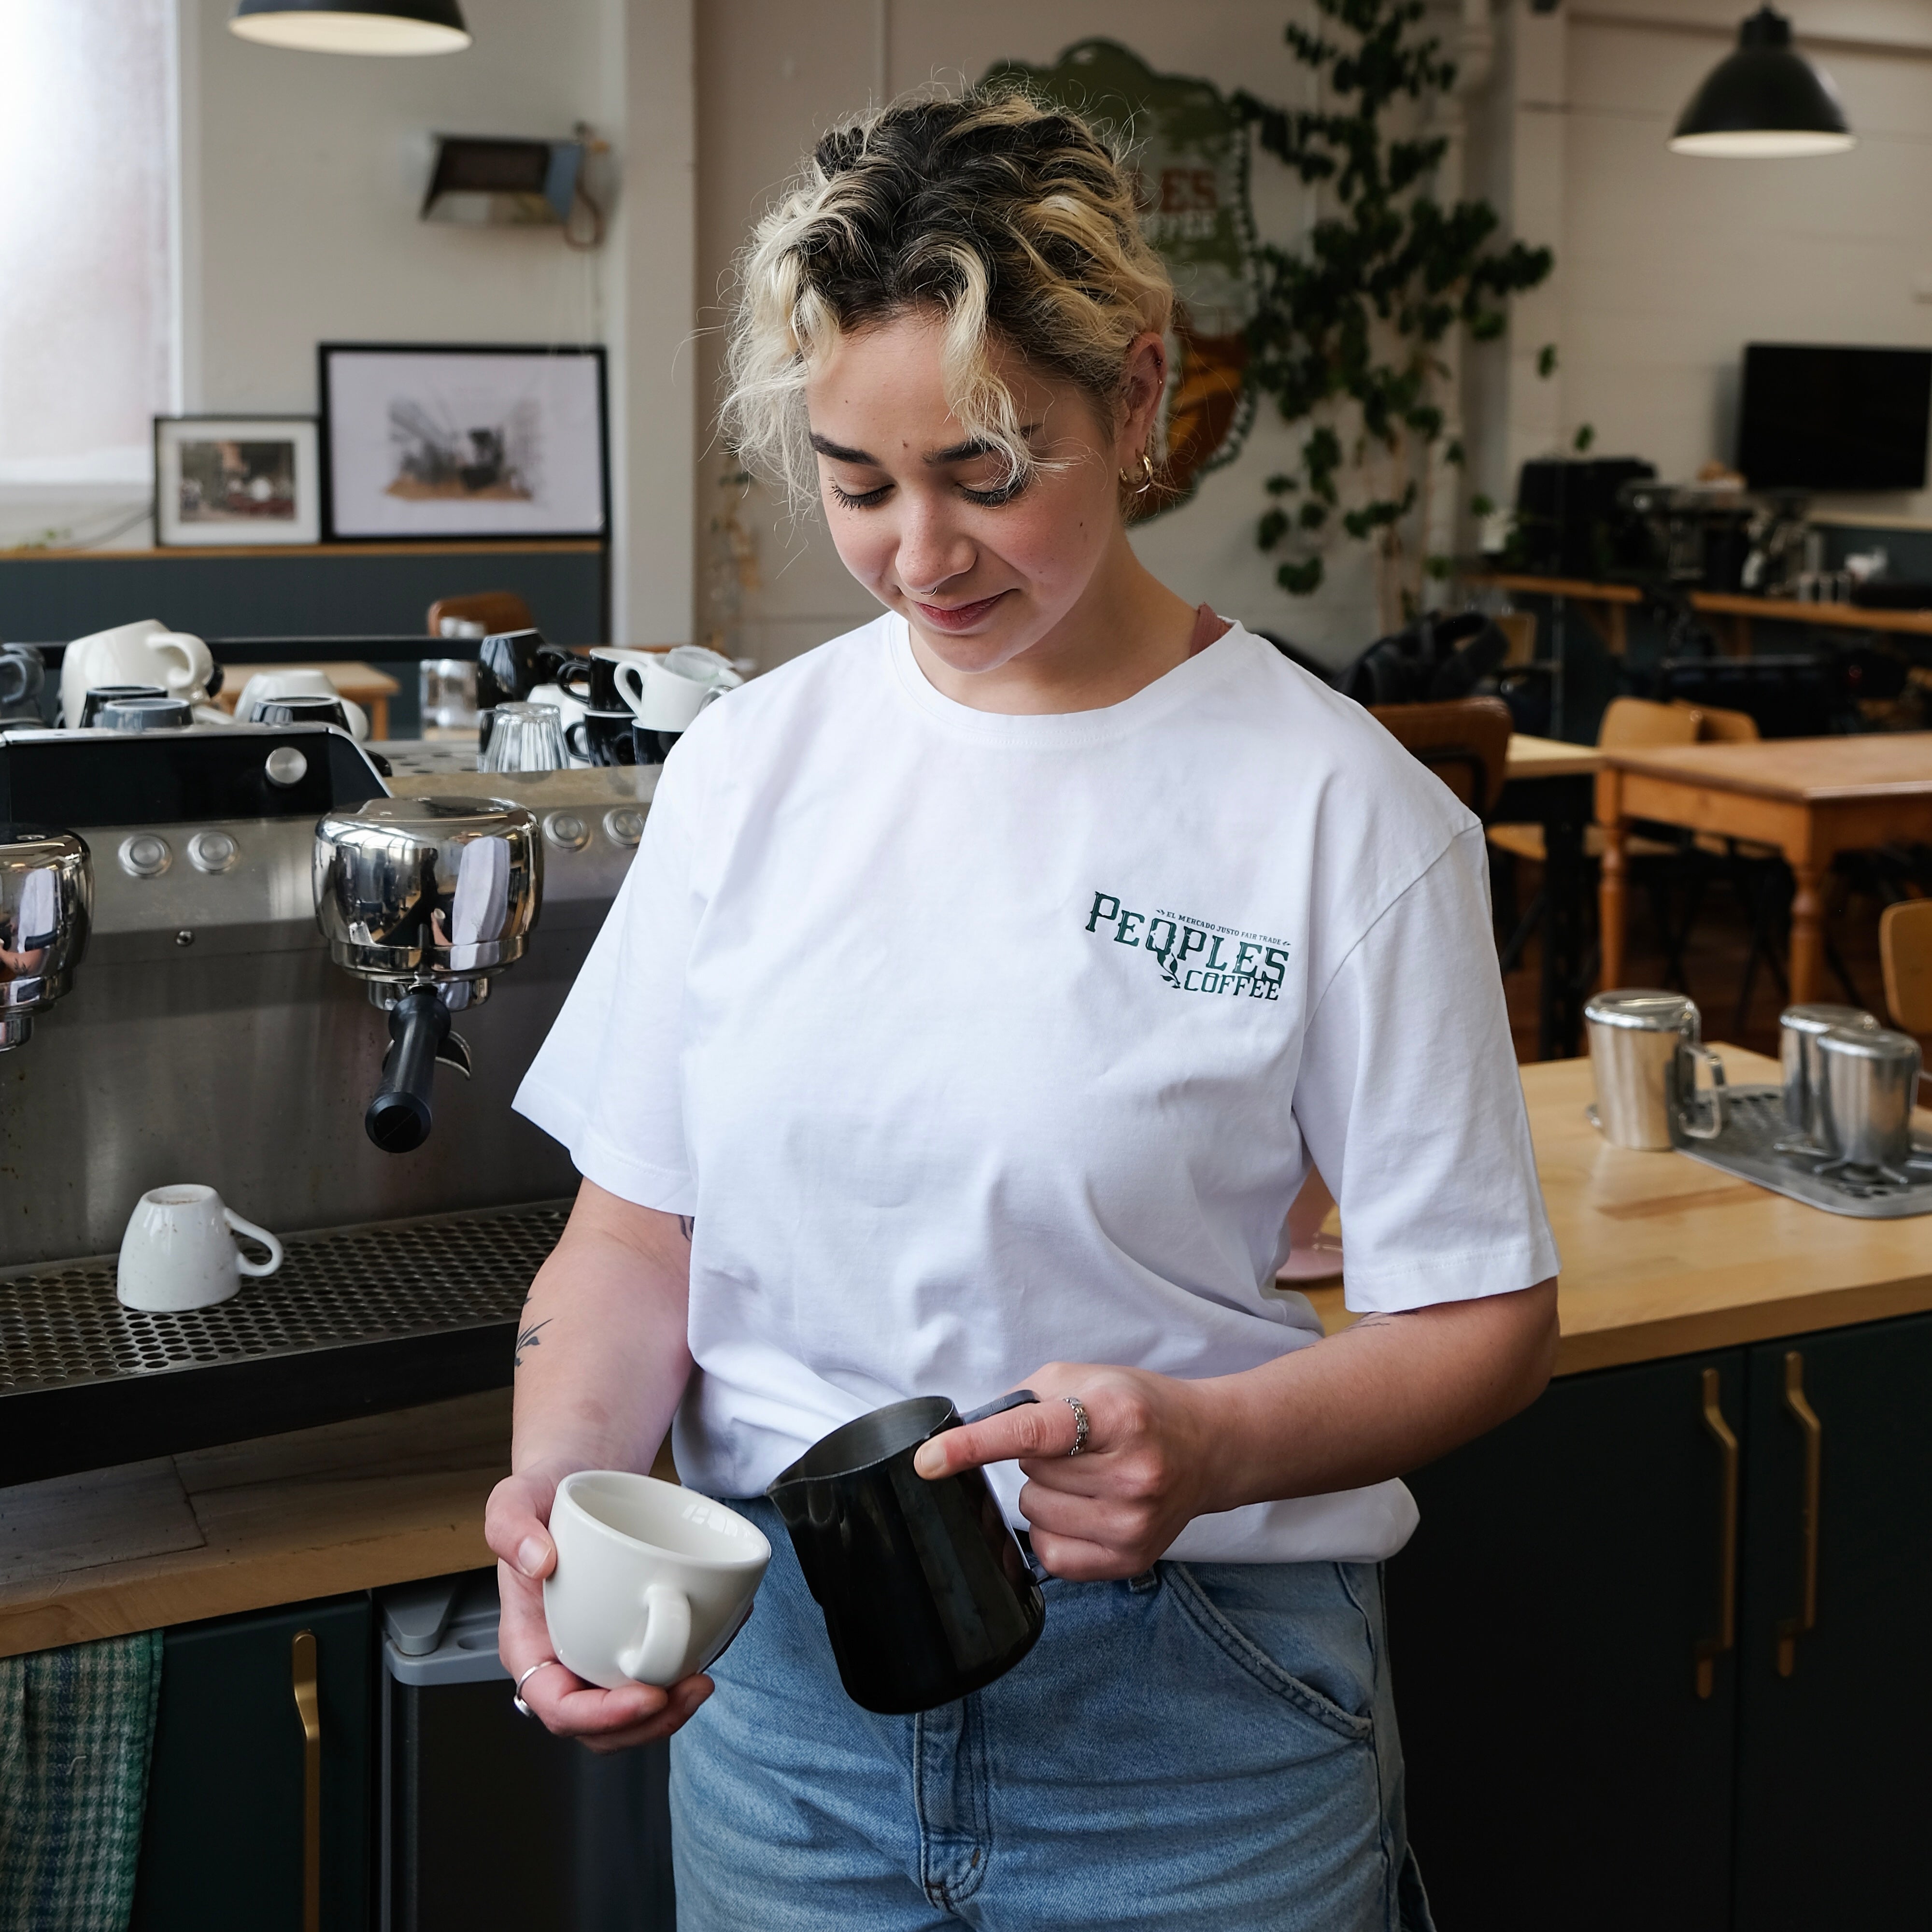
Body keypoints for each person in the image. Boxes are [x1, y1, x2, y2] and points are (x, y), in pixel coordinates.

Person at [489, 90, 1559, 1931]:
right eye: (858, 483)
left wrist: (1213, 1446)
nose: (924, 553)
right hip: (782, 1710)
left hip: (1200, 1720)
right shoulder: (752, 767)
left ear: (1137, 403)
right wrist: (561, 1498)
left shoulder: (1341, 810)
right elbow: (639, 1225)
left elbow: (1483, 1319)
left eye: (991, 470)